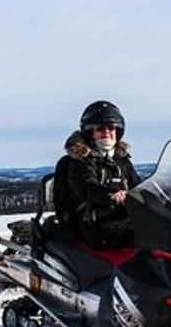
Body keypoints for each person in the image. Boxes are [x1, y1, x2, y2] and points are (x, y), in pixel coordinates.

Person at [53, 100, 141, 248]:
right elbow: (87, 188)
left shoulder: (121, 160)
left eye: (111, 127)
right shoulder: (81, 159)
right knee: (148, 237)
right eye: (100, 128)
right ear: (90, 132)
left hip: (122, 218)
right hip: (95, 225)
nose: (106, 132)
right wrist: (112, 195)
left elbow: (138, 186)